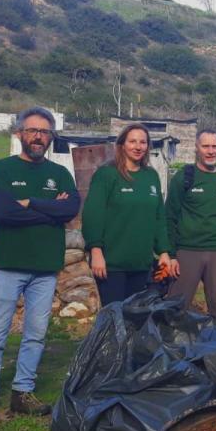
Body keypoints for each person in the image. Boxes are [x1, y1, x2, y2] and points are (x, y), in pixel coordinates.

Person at [0, 106, 80, 428]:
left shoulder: (59, 174)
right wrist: (51, 210)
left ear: (50, 138)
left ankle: (22, 392)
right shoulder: (3, 169)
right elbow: (5, 213)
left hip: (45, 268)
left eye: (44, 132)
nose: (38, 137)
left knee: (35, 334)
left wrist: (31, 203)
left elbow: (70, 209)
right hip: (9, 265)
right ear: (19, 133)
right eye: (32, 130)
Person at [81, 123, 172, 306]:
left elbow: (158, 218)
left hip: (141, 263)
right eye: (132, 141)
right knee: (114, 318)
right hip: (111, 264)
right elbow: (93, 215)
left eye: (143, 142)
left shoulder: (151, 176)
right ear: (122, 144)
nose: (138, 147)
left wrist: (163, 251)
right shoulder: (106, 175)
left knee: (136, 318)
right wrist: (96, 251)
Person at [166, 129, 216, 330]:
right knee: (176, 307)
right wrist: (171, 254)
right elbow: (170, 217)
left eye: (214, 146)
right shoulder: (185, 177)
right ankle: (170, 349)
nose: (210, 151)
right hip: (188, 250)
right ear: (197, 148)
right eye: (205, 146)